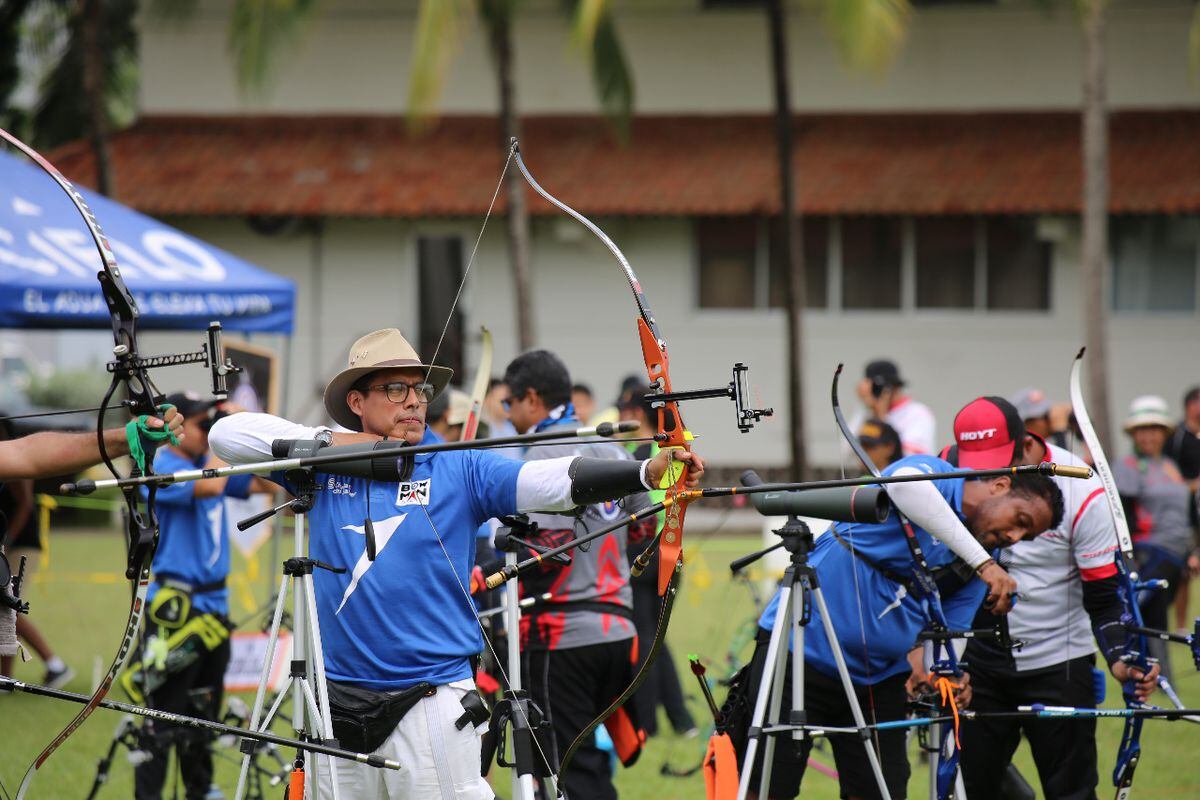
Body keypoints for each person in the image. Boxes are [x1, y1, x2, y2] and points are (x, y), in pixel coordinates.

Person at [209, 329, 704, 800]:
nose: (414, 401)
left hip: (432, 701)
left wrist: (644, 470)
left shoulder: (458, 465)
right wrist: (348, 448)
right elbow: (226, 434)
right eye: (396, 388)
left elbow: (549, 481)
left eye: (420, 389)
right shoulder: (316, 467)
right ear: (357, 403)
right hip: (334, 706)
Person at [737, 452, 1060, 800]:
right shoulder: (937, 476)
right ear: (1000, 484)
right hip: (799, 653)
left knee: (882, 792)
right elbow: (904, 486)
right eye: (1019, 520)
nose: (1014, 536)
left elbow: (949, 629)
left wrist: (944, 675)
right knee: (769, 786)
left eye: (1025, 536)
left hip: (879, 678)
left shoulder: (984, 558)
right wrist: (981, 562)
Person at [938, 397, 1158, 800]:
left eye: (997, 459)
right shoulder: (951, 472)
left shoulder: (1081, 489)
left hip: (1060, 663)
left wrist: (1122, 659)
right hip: (976, 664)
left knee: (1071, 792)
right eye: (975, 461)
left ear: (1024, 445)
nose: (986, 473)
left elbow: (1104, 597)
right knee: (968, 789)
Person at [500, 351, 653, 800]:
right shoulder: (609, 445)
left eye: (510, 403)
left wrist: (501, 550)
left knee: (565, 772)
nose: (507, 414)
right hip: (617, 631)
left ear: (532, 398)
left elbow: (546, 556)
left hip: (563, 638)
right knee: (587, 762)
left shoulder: (546, 453)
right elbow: (644, 527)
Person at [127, 393, 272, 800]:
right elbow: (209, 488)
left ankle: (201, 788)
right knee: (161, 713)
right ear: (174, 428)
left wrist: (252, 432)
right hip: (175, 610)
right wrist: (225, 436)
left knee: (204, 709)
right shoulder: (162, 467)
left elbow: (265, 483)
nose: (207, 433)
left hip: (215, 607)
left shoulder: (204, 465)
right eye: (200, 424)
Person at [617, 384, 698, 740]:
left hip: (642, 553)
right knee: (655, 637)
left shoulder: (638, 454)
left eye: (625, 411)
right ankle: (681, 719)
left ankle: (646, 722)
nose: (621, 418)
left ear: (638, 415)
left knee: (645, 636)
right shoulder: (674, 451)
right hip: (670, 550)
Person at [1114, 395, 1200, 677]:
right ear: (1133, 434)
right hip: (1149, 555)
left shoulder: (1170, 467)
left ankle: (1159, 679)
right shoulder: (1126, 467)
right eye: (1141, 429)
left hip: (1177, 557)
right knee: (1147, 622)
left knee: (1157, 622)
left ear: (1164, 433)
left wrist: (1193, 552)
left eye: (1154, 428)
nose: (1147, 435)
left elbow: (1187, 513)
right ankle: (1155, 680)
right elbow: (1122, 515)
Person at [0, 419, 74, 688]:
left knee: (7, 606)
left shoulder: (12, 457)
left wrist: (6, 543)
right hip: (9, 542)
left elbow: (25, 505)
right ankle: (7, 679)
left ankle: (54, 665)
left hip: (21, 542)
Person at [1165, 386, 1200, 634]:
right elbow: (1167, 470)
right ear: (1189, 406)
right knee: (1185, 572)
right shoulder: (1177, 436)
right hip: (1187, 514)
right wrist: (1189, 486)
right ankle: (1179, 625)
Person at [852, 359, 936, 456]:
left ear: (894, 387)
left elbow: (909, 455)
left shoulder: (918, 413)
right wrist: (868, 409)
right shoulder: (866, 414)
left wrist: (882, 418)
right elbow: (847, 452)